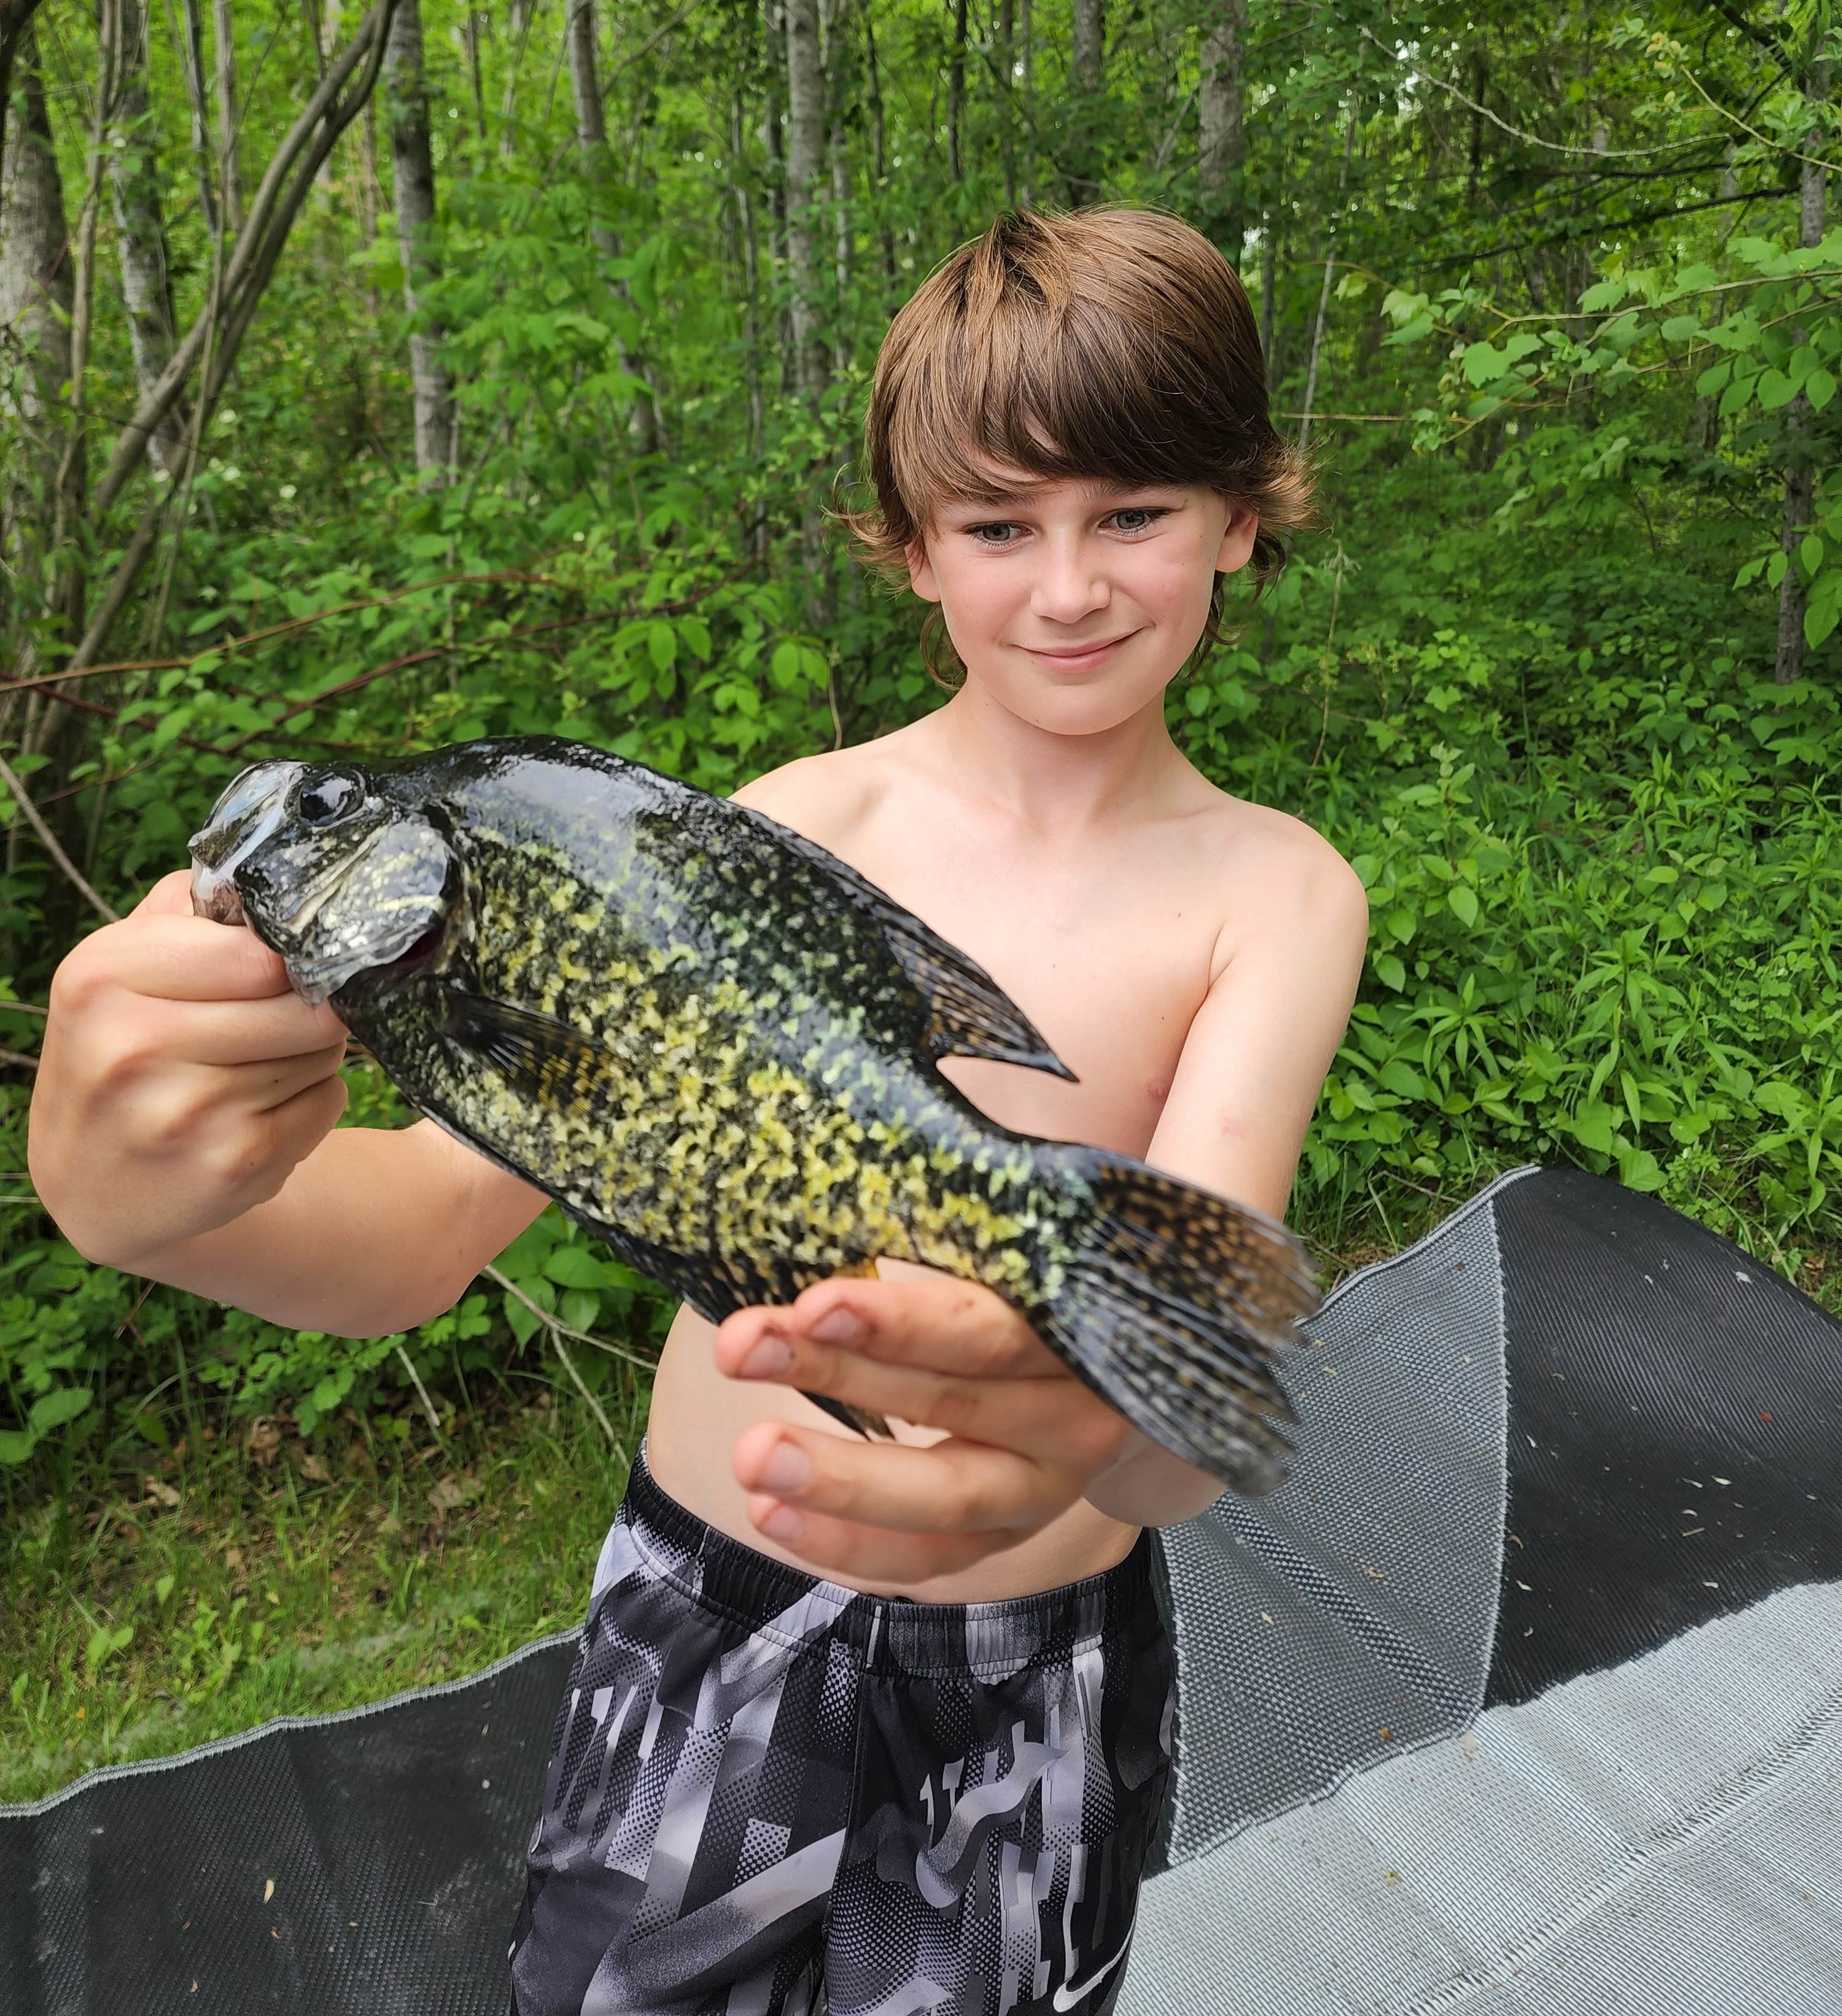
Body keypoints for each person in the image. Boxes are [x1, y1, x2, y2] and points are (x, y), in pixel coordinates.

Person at [29, 206, 1368, 2016]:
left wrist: (1093, 1429)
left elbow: (1182, 1437)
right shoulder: (786, 824)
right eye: (999, 526)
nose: (1068, 587)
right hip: (706, 1621)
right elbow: (424, 1232)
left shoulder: (1275, 896)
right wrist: (140, 1210)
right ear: (911, 551)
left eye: (1129, 514)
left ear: (1241, 514)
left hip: (1038, 1668)